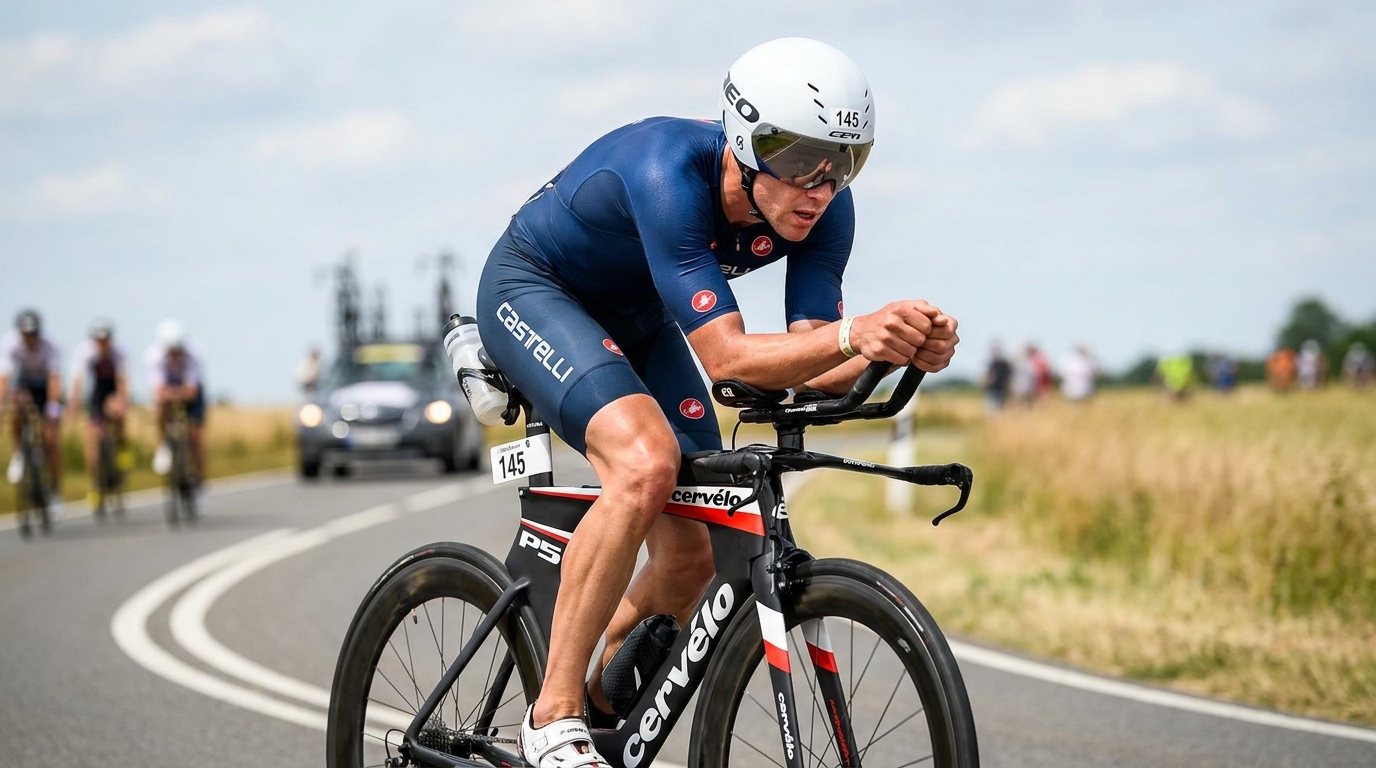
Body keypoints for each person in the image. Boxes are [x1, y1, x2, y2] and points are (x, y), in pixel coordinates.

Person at [474, 38, 960, 767]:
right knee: (645, 467)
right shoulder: (670, 173)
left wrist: (893, 349)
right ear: (744, 139)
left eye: (844, 163)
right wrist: (855, 334)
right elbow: (728, 357)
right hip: (538, 290)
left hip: (640, 318)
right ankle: (553, 717)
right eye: (800, 160)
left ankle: (605, 706)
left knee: (694, 546)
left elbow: (813, 355)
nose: (819, 189)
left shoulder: (827, 210)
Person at [1, 309, 64, 496]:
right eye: (26, 335)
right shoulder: (10, 343)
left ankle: (54, 488)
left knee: (51, 439)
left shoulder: (51, 344)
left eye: (33, 334)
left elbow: (54, 378)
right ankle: (20, 452)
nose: (30, 338)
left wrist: (53, 409)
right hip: (24, 383)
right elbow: (4, 378)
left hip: (45, 385)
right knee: (16, 405)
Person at [70, 318, 130, 508]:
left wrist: (120, 401)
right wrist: (74, 404)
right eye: (98, 339)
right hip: (97, 391)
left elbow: (122, 381)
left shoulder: (119, 353)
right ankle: (95, 483)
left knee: (119, 416)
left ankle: (121, 450)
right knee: (94, 437)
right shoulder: (85, 353)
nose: (102, 343)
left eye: (105, 339)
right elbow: (78, 381)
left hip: (112, 389)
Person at [145, 319, 207, 487]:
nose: (175, 354)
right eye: (171, 351)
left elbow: (192, 391)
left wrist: (177, 393)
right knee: (160, 407)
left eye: (178, 350)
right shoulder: (154, 356)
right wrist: (170, 394)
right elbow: (157, 389)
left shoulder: (195, 353)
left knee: (195, 435)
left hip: (190, 391)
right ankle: (164, 445)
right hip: (169, 389)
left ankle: (200, 485)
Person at [983, 342, 1012, 413]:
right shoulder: (993, 363)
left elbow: (1008, 377)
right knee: (993, 409)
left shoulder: (1004, 364)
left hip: (1000, 390)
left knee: (998, 409)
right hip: (993, 389)